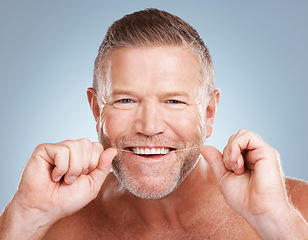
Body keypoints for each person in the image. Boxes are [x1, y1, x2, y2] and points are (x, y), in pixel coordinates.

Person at [0, 8, 307, 240]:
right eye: (125, 100)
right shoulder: (45, 227)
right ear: (96, 109)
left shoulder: (295, 212)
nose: (149, 127)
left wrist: (278, 223)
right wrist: (24, 219)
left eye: (174, 101)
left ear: (209, 112)